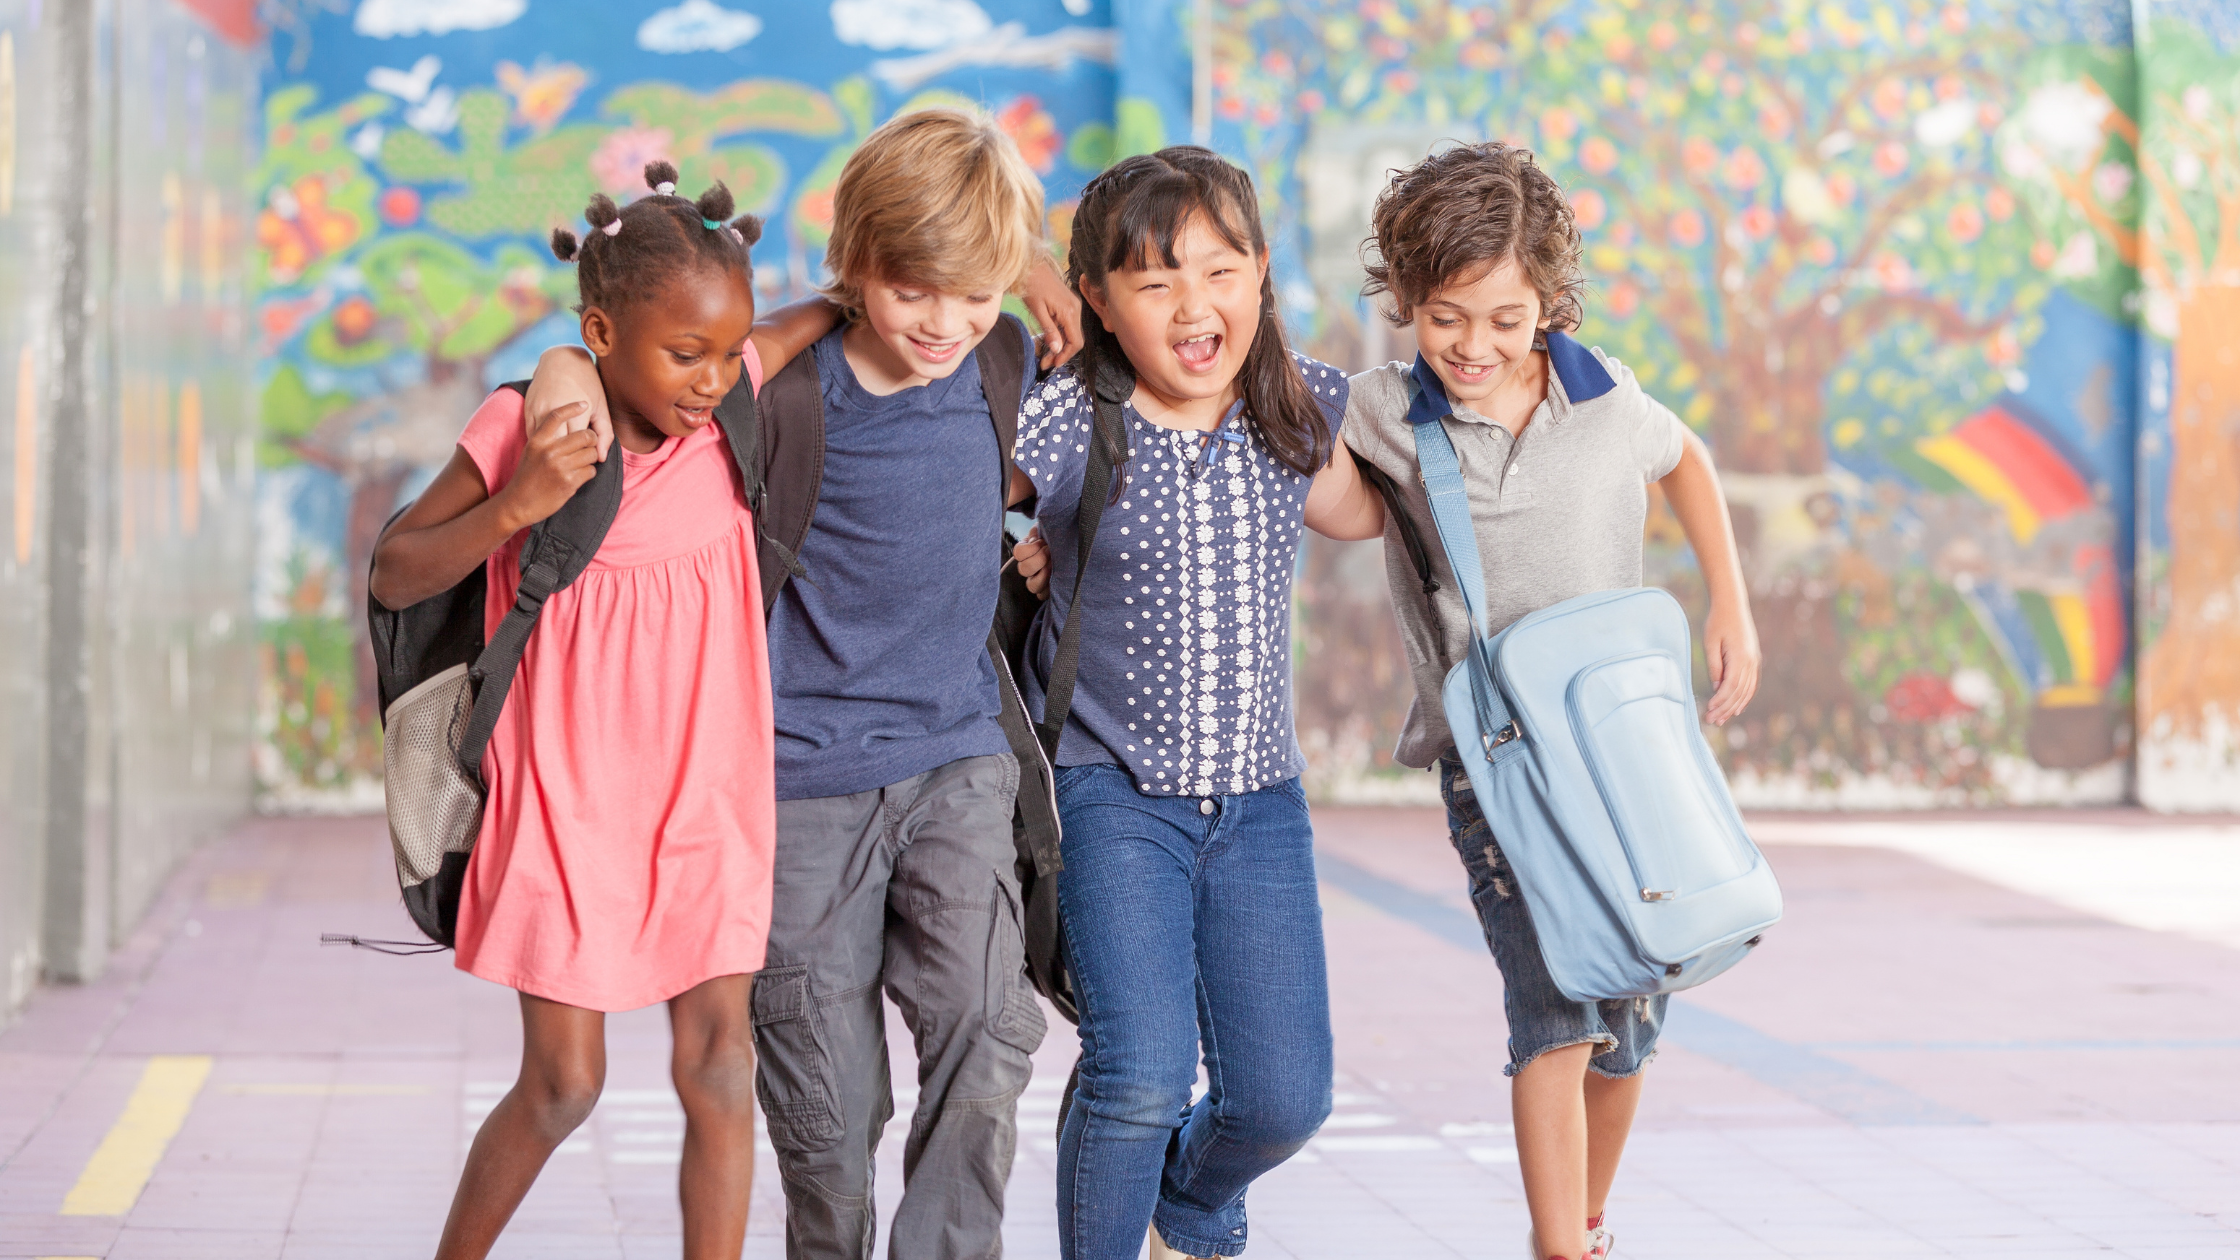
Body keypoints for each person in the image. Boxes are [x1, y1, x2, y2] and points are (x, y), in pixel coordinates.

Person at [520, 107, 1055, 1260]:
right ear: (856, 262)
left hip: (954, 754)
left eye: (975, 293)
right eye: (916, 291)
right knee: (827, 1088)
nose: (946, 324)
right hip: (792, 779)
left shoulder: (1003, 353)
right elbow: (612, 370)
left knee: (985, 1025)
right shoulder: (780, 396)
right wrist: (565, 360)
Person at [369, 163, 820, 1260]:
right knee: (565, 1084)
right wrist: (519, 504)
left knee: (720, 1065)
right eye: (684, 355)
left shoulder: (728, 411)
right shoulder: (526, 423)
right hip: (566, 802)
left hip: (706, 794)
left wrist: (1013, 281)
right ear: (600, 330)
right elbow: (395, 571)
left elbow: (834, 307)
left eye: (727, 352)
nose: (713, 379)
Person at [1340, 142, 1762, 1260]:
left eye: (1502, 317)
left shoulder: (1602, 392)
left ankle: (1582, 1222)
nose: (1471, 346)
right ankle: (1555, 1249)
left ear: (1545, 303)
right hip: (1494, 766)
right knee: (1555, 1009)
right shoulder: (1384, 410)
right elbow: (1277, 430)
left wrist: (1730, 604)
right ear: (1403, 300)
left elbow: (1688, 460)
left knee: (1631, 1018)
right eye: (1443, 317)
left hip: (1627, 760)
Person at [1007, 146, 1385, 1260]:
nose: (1193, 304)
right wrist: (1015, 263)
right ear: (1097, 303)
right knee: (1137, 1073)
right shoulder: (1065, 416)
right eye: (1155, 279)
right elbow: (937, 469)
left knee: (1282, 1099)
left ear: (1261, 275)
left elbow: (1362, 515)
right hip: (1110, 792)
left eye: (1221, 271)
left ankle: (1184, 1212)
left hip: (1259, 801)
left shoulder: (1301, 401)